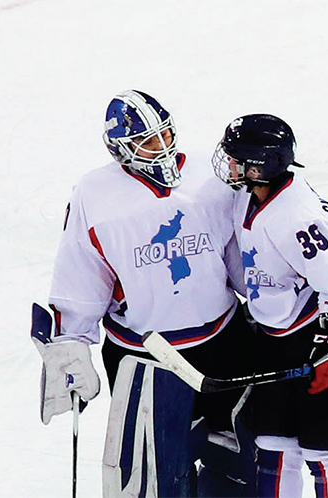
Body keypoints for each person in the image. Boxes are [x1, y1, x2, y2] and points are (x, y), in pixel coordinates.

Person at [33, 90, 256, 497]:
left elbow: (239, 253)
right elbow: (80, 271)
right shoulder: (95, 195)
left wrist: (277, 305)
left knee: (238, 458)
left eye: (167, 134)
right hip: (144, 356)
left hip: (224, 342)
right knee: (152, 472)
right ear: (121, 148)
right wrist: (71, 341)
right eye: (150, 141)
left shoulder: (211, 179)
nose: (164, 147)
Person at [211, 114, 328, 497]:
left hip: (324, 335)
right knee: (273, 450)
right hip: (276, 340)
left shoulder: (296, 215)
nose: (230, 166)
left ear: (259, 166)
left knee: (327, 455)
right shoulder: (249, 198)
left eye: (238, 159)